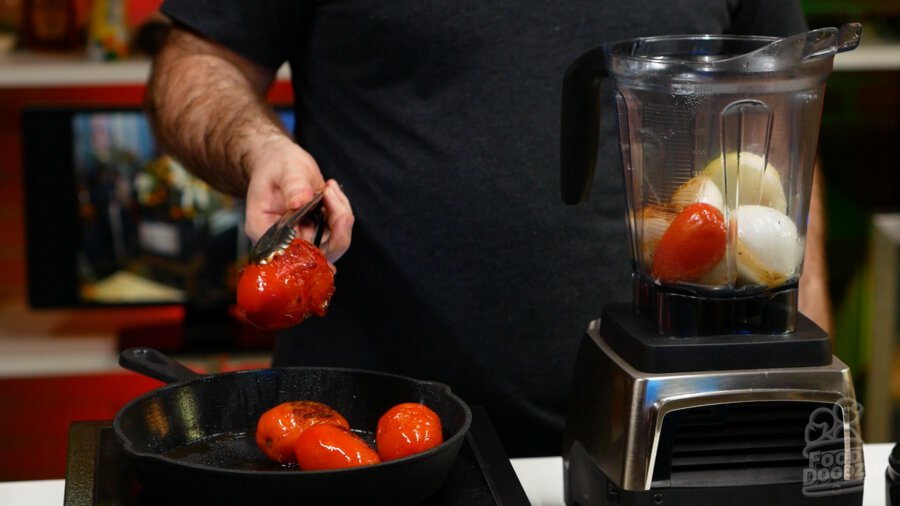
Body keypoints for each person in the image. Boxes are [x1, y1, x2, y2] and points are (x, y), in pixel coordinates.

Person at [144, 0, 828, 457]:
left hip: (674, 437)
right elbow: (193, 66)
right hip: (373, 447)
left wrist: (808, 389)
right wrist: (258, 147)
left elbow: (780, 153)